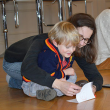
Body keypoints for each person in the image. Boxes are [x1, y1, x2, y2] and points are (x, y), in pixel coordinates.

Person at [3, 13, 103, 98]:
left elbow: (95, 76)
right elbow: (28, 69)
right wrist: (59, 84)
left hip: (40, 67)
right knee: (44, 74)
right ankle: (18, 81)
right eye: (80, 37)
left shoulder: (78, 47)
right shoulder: (42, 41)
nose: (81, 43)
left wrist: (93, 87)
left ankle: (13, 81)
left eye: (86, 39)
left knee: (64, 75)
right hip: (14, 62)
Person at [21, 21, 80, 101]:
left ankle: (63, 90)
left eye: (74, 46)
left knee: (74, 75)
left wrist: (64, 79)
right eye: (68, 47)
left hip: (55, 77)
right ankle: (41, 93)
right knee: (50, 84)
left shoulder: (66, 52)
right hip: (33, 84)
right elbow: (48, 76)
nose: (72, 50)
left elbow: (65, 70)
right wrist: (64, 74)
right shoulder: (48, 56)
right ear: (55, 43)